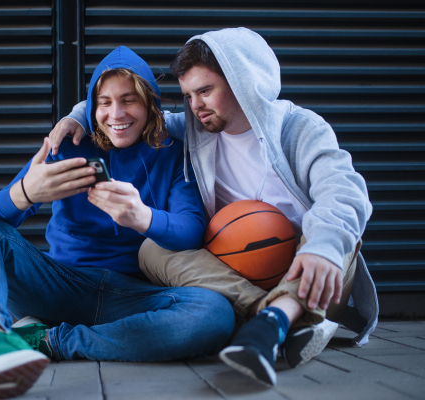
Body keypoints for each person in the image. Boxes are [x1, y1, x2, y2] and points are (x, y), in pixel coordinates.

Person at [0, 46, 235, 400]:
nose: (115, 113)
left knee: (213, 313)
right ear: (91, 106)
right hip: (60, 286)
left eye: (128, 100)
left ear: (150, 102)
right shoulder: (69, 146)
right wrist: (26, 193)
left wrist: (143, 217)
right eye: (104, 102)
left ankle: (45, 340)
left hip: (133, 295)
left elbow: (191, 230)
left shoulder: (173, 151)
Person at [51, 28, 379, 386]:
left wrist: (323, 249)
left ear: (244, 81)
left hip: (313, 278)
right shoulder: (196, 129)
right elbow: (131, 111)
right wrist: (78, 115)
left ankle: (276, 321)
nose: (195, 105)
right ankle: (272, 320)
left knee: (334, 230)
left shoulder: (297, 128)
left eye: (205, 91)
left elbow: (345, 192)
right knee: (153, 250)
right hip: (243, 281)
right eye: (189, 94)